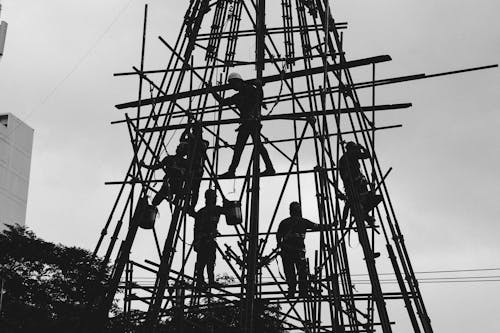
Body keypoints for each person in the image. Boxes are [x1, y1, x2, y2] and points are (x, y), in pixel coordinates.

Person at [218, 72, 275, 178]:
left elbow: (259, 97)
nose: (232, 86)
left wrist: (259, 86)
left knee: (255, 146)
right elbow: (222, 102)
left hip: (252, 122)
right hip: (247, 123)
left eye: (233, 84)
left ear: (238, 81)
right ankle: (232, 171)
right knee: (241, 148)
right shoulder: (238, 96)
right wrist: (212, 91)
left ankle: (269, 168)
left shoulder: (250, 89)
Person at [276, 201, 330, 298]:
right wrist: (330, 226)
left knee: (290, 272)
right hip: (298, 251)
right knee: (301, 272)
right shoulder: (302, 221)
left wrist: (280, 246)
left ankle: (292, 291)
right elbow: (317, 226)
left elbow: (278, 236)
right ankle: (302, 292)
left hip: (288, 251)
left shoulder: (285, 222)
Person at [190, 189, 227, 288]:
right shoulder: (207, 211)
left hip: (206, 240)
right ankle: (203, 281)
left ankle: (204, 281)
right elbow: (197, 228)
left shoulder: (207, 211)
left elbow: (225, 210)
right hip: (204, 240)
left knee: (208, 261)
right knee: (205, 262)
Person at [338, 141, 382, 222]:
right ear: (352, 149)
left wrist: (344, 220)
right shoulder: (351, 154)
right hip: (356, 185)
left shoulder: (343, 158)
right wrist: (361, 147)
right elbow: (367, 155)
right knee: (377, 197)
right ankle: (363, 213)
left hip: (351, 186)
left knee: (353, 200)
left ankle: (363, 213)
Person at [180, 124, 209, 210]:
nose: (195, 133)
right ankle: (186, 204)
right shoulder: (190, 142)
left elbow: (201, 145)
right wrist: (186, 130)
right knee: (187, 187)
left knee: (195, 189)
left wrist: (190, 135)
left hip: (198, 168)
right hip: (189, 167)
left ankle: (192, 206)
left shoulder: (204, 142)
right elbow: (181, 140)